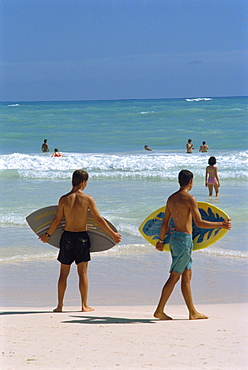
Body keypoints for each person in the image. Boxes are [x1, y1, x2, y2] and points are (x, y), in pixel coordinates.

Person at [39, 169, 122, 312]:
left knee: (63, 274)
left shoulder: (64, 199)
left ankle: (59, 306)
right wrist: (112, 234)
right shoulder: (88, 199)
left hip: (67, 238)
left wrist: (47, 235)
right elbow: (98, 219)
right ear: (83, 182)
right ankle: (84, 305)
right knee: (82, 273)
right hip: (82, 238)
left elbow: (57, 221)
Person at [154, 169, 231, 320]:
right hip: (184, 241)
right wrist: (220, 224)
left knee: (187, 275)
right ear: (191, 182)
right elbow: (199, 222)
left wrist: (161, 241)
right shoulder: (190, 199)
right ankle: (159, 310)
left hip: (175, 239)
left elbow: (165, 222)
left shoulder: (171, 199)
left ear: (179, 181)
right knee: (174, 276)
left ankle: (192, 312)